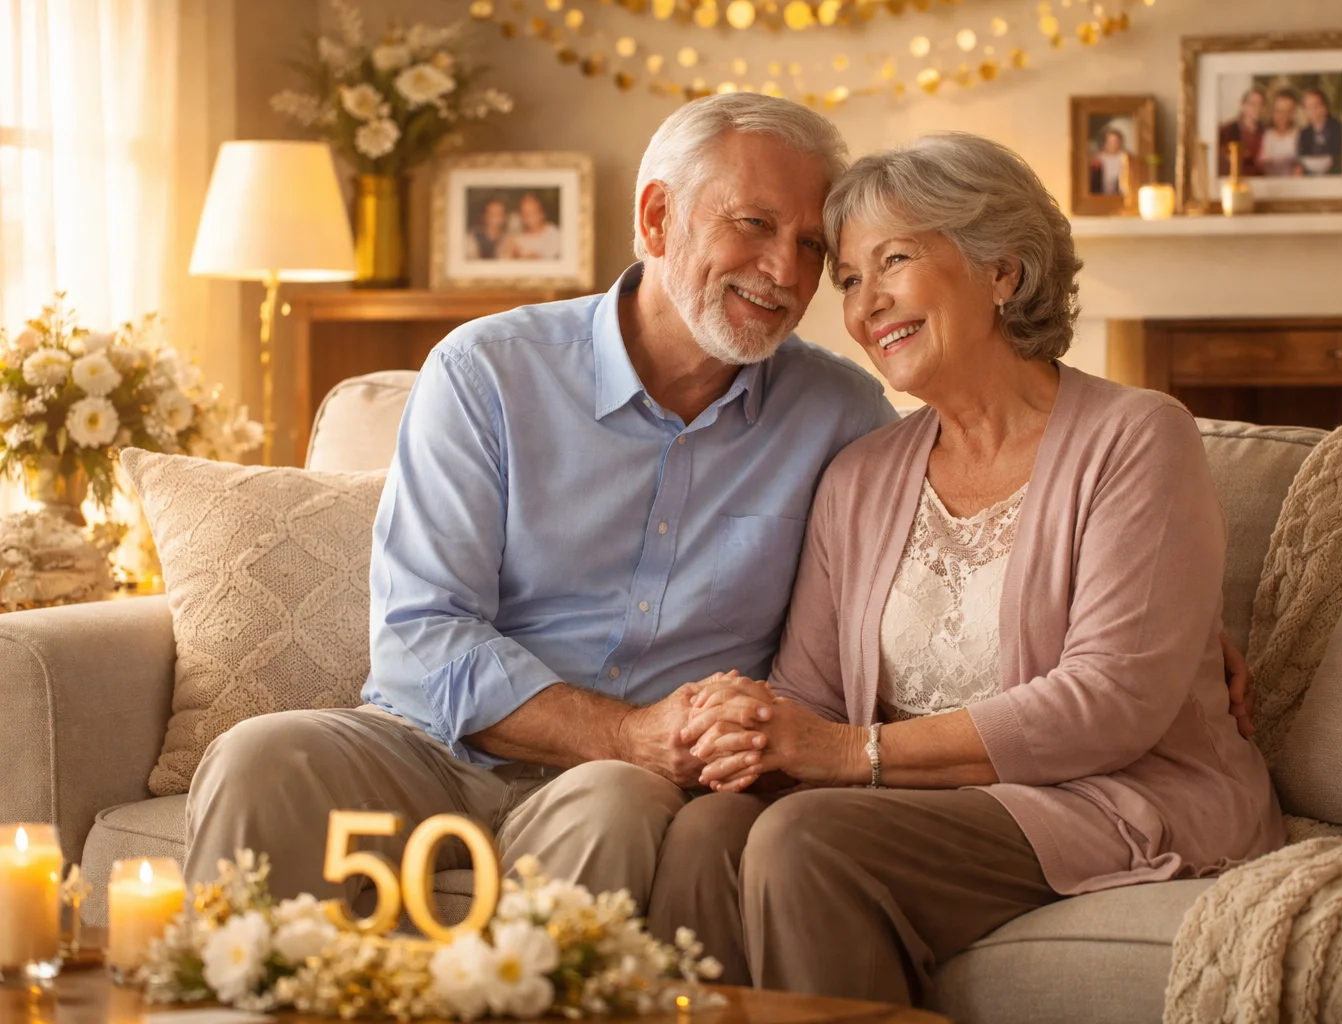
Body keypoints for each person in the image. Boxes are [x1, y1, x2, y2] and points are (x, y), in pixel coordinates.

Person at [182, 94, 895, 907]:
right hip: (432, 749)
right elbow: (422, 633)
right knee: (262, 758)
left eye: (810, 245)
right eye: (755, 225)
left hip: (630, 786)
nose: (786, 273)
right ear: (659, 218)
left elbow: (852, 651)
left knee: (617, 801)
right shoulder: (487, 372)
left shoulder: (842, 417)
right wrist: (629, 733)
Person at [649, 133, 1286, 1005]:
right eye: (846, 280)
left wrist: (852, 753)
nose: (866, 303)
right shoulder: (860, 476)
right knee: (706, 830)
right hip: (917, 802)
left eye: (895, 259)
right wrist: (746, 722)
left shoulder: (1137, 437)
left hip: (1110, 793)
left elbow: (1110, 703)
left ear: (1003, 272)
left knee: (806, 838)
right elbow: (815, 696)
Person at [1217, 88, 1265, 176]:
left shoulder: (1265, 131)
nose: (1256, 108)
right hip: (1234, 177)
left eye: (1260, 104)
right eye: (1252, 104)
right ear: (1243, 105)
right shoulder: (1227, 130)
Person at [1297, 87, 1342, 175]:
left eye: (1316, 106)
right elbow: (1302, 158)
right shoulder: (1304, 134)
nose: (1313, 111)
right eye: (1308, 107)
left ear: (1324, 107)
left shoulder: (1338, 129)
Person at [1258, 89, 1302, 177]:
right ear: (1273, 112)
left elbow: (1300, 167)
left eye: (1288, 111)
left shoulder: (1298, 135)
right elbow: (1261, 165)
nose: (1283, 116)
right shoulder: (1267, 135)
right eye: (1279, 111)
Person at [509, 191, 562, 260]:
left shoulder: (556, 234)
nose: (528, 217)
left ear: (542, 214)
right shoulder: (518, 240)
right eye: (525, 213)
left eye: (532, 212)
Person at [465, 194, 515, 260]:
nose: (495, 218)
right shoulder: (473, 236)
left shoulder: (507, 239)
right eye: (492, 214)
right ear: (484, 216)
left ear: (504, 218)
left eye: (499, 214)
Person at [1088, 127, 1128, 195]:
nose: (1113, 145)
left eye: (1116, 142)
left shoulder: (1125, 158)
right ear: (1105, 142)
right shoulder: (1098, 159)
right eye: (1110, 142)